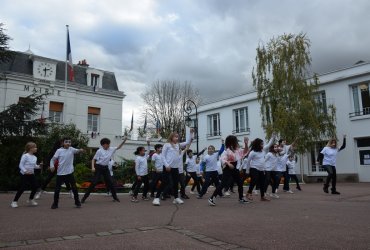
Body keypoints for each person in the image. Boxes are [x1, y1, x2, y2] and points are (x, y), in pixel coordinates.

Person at [152, 127, 192, 206]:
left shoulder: (178, 145)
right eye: (175, 136)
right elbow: (163, 156)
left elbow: (187, 142)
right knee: (164, 182)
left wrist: (191, 133)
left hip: (175, 168)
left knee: (176, 183)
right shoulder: (167, 145)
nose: (177, 138)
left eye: (177, 137)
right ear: (171, 137)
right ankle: (156, 199)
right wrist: (166, 165)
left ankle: (176, 198)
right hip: (167, 167)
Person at [81, 137, 127, 203]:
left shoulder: (111, 149)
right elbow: (93, 159)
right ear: (103, 145)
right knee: (94, 183)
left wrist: (124, 141)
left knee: (111, 182)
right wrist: (93, 167)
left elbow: (119, 147)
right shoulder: (99, 151)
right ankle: (84, 198)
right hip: (99, 167)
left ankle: (115, 197)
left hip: (105, 168)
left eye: (109, 144)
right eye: (107, 144)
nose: (108, 145)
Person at [208, 136, 249, 206]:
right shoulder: (226, 151)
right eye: (235, 141)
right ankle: (211, 198)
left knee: (240, 182)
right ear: (231, 142)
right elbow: (222, 159)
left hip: (234, 169)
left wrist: (246, 143)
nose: (237, 142)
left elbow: (245, 151)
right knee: (223, 184)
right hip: (227, 169)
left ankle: (241, 198)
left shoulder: (237, 150)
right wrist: (228, 163)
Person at [50, 138, 84, 209]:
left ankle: (77, 202)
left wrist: (80, 150)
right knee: (57, 189)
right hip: (60, 173)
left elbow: (77, 151)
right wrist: (52, 166)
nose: (68, 143)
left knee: (74, 187)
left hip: (69, 173)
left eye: (69, 142)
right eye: (66, 142)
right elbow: (52, 159)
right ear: (62, 143)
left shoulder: (71, 149)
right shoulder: (59, 150)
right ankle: (55, 203)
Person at [245, 134, 276, 201]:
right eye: (261, 144)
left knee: (262, 183)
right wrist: (247, 171)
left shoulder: (263, 150)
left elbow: (269, 145)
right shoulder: (252, 152)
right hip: (254, 168)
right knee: (254, 180)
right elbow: (248, 161)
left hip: (261, 170)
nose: (262, 145)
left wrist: (272, 137)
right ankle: (249, 193)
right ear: (257, 145)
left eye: (263, 144)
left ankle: (262, 197)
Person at [11, 142, 41, 208]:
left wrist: (39, 166)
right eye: (35, 147)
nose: (36, 148)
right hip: (24, 174)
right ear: (30, 149)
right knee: (23, 187)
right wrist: (25, 171)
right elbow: (20, 165)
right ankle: (14, 202)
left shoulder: (35, 157)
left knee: (35, 186)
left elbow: (34, 166)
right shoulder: (25, 156)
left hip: (31, 174)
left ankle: (30, 199)